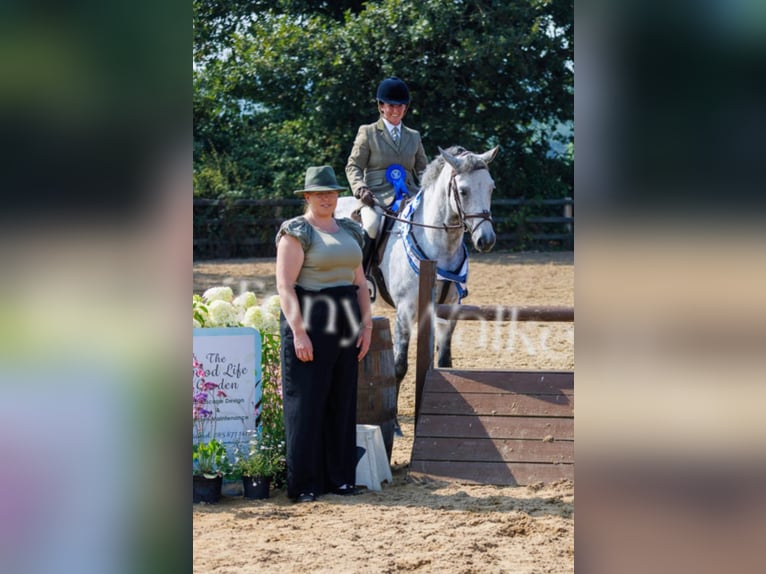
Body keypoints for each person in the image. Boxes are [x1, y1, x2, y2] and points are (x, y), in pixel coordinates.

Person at [275, 165, 373, 503]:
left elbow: (359, 282)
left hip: (346, 316)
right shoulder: (297, 232)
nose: (327, 198)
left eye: (331, 192)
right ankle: (305, 483)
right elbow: (285, 286)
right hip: (312, 317)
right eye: (319, 193)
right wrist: (299, 332)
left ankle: (340, 478)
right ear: (307, 196)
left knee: (342, 398)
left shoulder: (350, 230)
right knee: (308, 401)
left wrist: (367, 324)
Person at [346, 77, 428, 268]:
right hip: (376, 196)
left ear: (405, 108)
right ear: (381, 106)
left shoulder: (413, 136)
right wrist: (360, 188)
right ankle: (363, 275)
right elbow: (353, 166)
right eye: (391, 105)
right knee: (372, 226)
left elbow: (424, 170)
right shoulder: (368, 132)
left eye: (400, 106)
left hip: (409, 194)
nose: (396, 110)